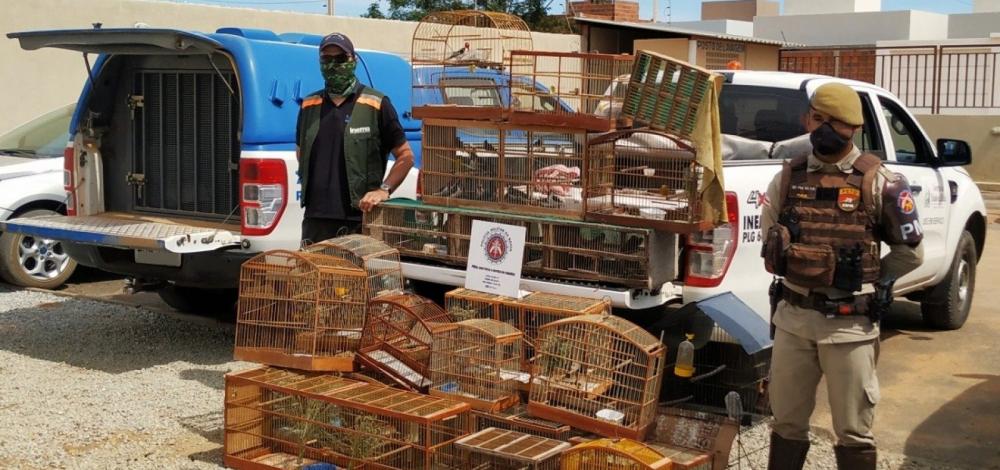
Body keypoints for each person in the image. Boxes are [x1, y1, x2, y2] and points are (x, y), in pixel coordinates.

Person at [760, 83, 924, 470]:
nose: (825, 130)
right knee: (785, 423)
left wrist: (873, 279)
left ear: (853, 127)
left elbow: (911, 251)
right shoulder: (788, 178)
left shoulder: (880, 182)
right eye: (818, 119)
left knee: (853, 430)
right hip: (794, 319)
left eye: (837, 123)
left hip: (849, 325)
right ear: (807, 119)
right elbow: (770, 242)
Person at [296, 32, 415, 244]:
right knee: (314, 276)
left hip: (359, 218)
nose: (333, 65)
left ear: (354, 60)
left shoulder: (376, 104)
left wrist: (383, 190)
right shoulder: (309, 105)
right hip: (316, 219)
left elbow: (406, 156)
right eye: (327, 59)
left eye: (340, 59)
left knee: (355, 277)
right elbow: (300, 152)